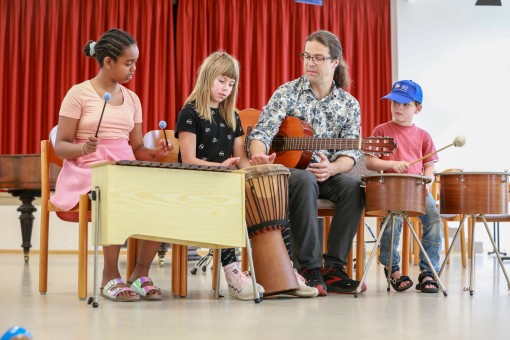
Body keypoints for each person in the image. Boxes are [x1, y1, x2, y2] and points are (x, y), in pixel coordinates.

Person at [175, 50, 318, 300]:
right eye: (221, 81)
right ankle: (232, 273)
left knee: (272, 191)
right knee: (230, 201)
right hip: (196, 182)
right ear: (207, 77)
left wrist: (258, 164)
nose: (226, 89)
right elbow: (188, 160)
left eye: (231, 84)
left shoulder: (232, 116)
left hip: (226, 181)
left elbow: (240, 159)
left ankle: (285, 270)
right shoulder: (190, 113)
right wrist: (219, 168)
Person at [52, 28, 172, 301]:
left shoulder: (132, 99)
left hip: (123, 168)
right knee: (114, 191)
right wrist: (83, 147)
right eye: (128, 63)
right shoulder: (78, 94)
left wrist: (155, 153)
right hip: (88, 169)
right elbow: (61, 145)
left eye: (135, 62)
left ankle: (140, 272)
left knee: (163, 195)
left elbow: (137, 148)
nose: (134, 69)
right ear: (108, 62)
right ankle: (109, 274)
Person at [248, 30, 366, 296]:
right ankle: (309, 269)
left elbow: (351, 154)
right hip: (292, 176)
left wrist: (333, 168)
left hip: (327, 175)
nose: (310, 63)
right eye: (306, 56)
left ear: (335, 62)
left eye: (318, 58)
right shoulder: (287, 92)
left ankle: (333, 268)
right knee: (304, 179)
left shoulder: (349, 104)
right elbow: (261, 133)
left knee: (354, 187)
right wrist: (259, 155)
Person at [365, 79, 442, 293]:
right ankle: (392, 269)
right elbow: (370, 162)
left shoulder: (424, 136)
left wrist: (426, 183)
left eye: (405, 104)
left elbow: (430, 168)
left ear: (418, 108)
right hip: (390, 189)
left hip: (416, 190)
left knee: (434, 219)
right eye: (394, 103)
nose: (398, 107)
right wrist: (392, 164)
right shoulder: (381, 130)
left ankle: (429, 272)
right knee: (392, 221)